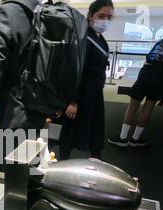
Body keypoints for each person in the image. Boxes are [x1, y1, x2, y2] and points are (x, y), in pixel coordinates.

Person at [108, 24, 163, 148]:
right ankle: (135, 139)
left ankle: (122, 137)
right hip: (161, 74)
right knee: (148, 106)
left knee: (133, 105)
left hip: (145, 71)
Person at [0, 0, 48, 133]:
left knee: (7, 153)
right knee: (33, 152)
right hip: (41, 111)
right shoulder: (43, 11)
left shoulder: (4, 13)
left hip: (13, 113)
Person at [59, 0, 114, 160]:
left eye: (109, 17)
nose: (105, 20)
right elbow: (76, 71)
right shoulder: (84, 38)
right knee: (70, 131)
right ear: (90, 16)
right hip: (80, 94)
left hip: (95, 93)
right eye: (101, 16)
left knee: (95, 128)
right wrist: (73, 101)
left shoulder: (100, 40)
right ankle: (62, 162)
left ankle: (96, 159)